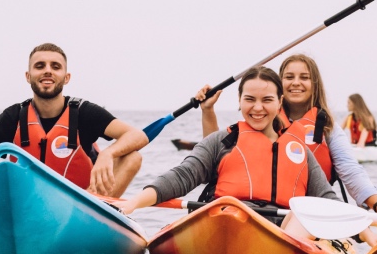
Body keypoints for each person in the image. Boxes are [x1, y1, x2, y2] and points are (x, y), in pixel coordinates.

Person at [117, 67, 340, 236]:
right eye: (250, 99)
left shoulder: (299, 151)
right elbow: (182, 176)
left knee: (304, 216)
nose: (258, 108)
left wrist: (364, 234)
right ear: (240, 101)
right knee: (229, 215)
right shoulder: (221, 141)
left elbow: (327, 201)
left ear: (280, 101)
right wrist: (134, 202)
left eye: (267, 100)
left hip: (284, 232)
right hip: (228, 223)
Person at [199, 54, 377, 218]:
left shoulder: (329, 130)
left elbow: (351, 171)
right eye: (289, 77)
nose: (296, 82)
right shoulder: (262, 118)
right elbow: (218, 153)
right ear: (279, 85)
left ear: (314, 84)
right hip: (262, 212)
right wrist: (208, 111)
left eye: (304, 77)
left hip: (309, 215)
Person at [0, 43, 148, 198]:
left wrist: (108, 154)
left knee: (132, 157)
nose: (47, 71)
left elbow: (137, 136)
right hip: (26, 206)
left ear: (66, 77)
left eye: (55, 67)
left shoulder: (84, 113)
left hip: (82, 206)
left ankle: (97, 215)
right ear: (28, 76)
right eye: (40, 66)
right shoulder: (11, 118)